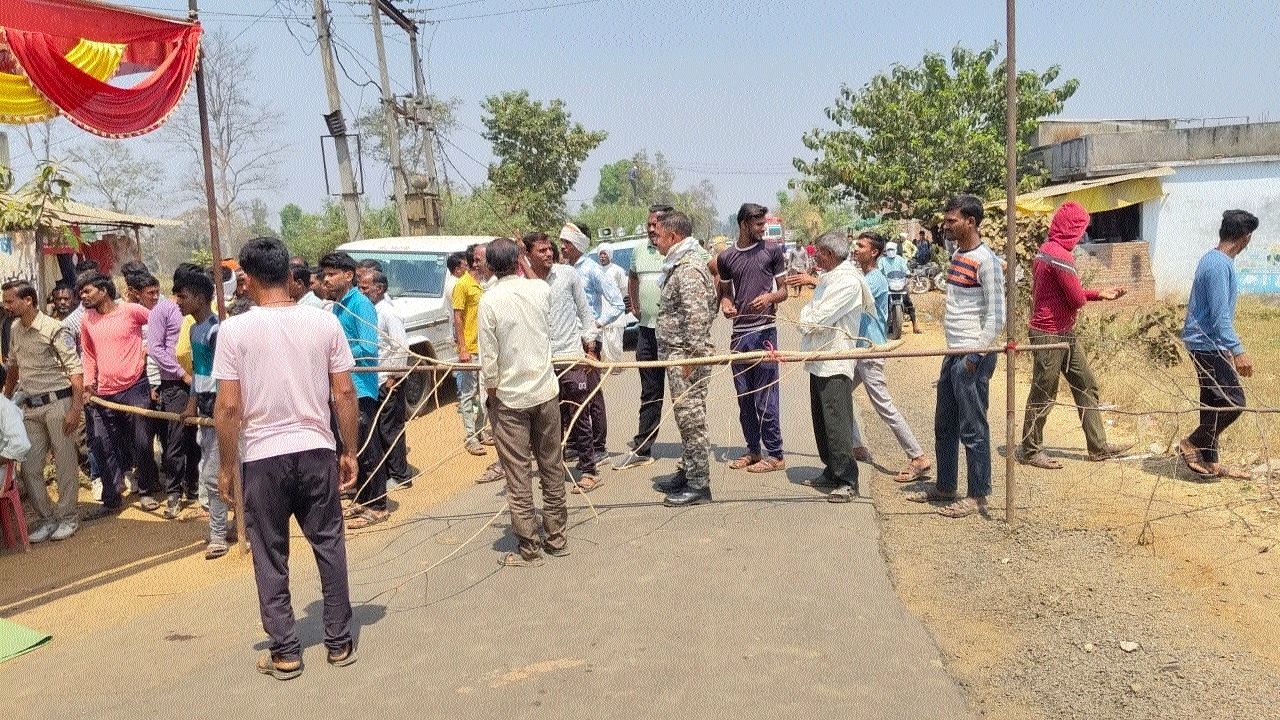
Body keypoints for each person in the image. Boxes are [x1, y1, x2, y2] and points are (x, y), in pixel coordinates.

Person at [213, 237, 359, 678]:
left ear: (248, 277)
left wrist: (225, 466)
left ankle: (286, 650)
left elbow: (228, 407)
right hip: (316, 448)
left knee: (269, 552)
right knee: (329, 543)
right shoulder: (324, 322)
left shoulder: (234, 331)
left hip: (263, 457)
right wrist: (349, 450)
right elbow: (344, 392)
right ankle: (339, 642)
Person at [909, 195, 1005, 518]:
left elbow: (996, 317)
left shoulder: (986, 262)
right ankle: (946, 487)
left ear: (971, 222)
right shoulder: (957, 255)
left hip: (972, 356)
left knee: (973, 428)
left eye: (952, 220)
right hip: (953, 353)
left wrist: (974, 357)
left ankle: (978, 495)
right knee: (944, 425)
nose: (945, 225)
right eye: (946, 220)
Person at [1017, 202, 1131, 469]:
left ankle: (1098, 447)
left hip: (1060, 332)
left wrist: (1098, 294)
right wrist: (1092, 295)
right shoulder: (1061, 256)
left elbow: (1067, 293)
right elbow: (1076, 299)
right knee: (1044, 391)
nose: (1081, 236)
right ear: (1072, 229)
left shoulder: (1046, 250)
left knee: (1085, 383)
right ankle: (1031, 450)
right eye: (1080, 230)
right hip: (1050, 334)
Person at [477, 238, 570, 566]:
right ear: (519, 260)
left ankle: (529, 547)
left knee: (518, 475)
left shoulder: (489, 301)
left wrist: (491, 395)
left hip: (510, 399)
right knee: (551, 466)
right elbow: (536, 281)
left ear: (489, 266)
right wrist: (523, 258)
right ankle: (557, 537)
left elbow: (489, 358)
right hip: (545, 394)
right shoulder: (540, 290)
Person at [818, 232, 932, 483]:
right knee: (842, 395)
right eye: (856, 245)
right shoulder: (863, 276)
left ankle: (917, 456)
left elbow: (849, 298)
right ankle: (857, 446)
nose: (856, 249)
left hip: (870, 351)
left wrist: (817, 282)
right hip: (859, 349)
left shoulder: (875, 279)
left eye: (861, 246)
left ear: (874, 253)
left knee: (884, 405)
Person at [1177, 210, 1259, 479]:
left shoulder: (1215, 260)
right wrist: (1238, 350)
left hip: (1208, 343)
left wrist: (1225, 346)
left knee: (1213, 402)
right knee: (1234, 402)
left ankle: (1210, 461)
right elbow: (1219, 316)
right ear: (1245, 238)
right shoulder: (1217, 265)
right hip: (1205, 344)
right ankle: (1192, 442)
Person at [78, 269, 162, 518]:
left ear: (103, 290)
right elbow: (88, 354)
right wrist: (88, 383)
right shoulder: (87, 319)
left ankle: (146, 491)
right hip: (103, 394)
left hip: (135, 388)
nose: (83, 296)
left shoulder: (131, 311)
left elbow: (161, 324)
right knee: (102, 445)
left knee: (142, 443)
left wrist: (149, 348)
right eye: (80, 292)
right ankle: (111, 498)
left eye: (87, 291)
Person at [2, 280, 81, 542]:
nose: (6, 306)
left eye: (10, 301)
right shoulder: (15, 329)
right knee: (29, 467)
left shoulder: (54, 328)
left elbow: (75, 370)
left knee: (65, 464)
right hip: (31, 407)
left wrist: (75, 409)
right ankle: (48, 518)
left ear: (28, 301)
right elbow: (13, 366)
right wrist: (6, 398)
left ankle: (68, 517)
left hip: (58, 404)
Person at [525, 232, 601, 492]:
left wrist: (591, 348)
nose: (548, 253)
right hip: (543, 363)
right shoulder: (525, 284)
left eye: (550, 249)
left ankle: (589, 470)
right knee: (548, 423)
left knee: (579, 416)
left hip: (571, 358)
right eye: (541, 250)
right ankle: (553, 472)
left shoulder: (567, 275)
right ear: (528, 255)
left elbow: (585, 312)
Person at [652, 212, 717, 507]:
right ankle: (688, 470)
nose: (655, 240)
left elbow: (698, 318)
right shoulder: (677, 264)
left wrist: (691, 359)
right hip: (678, 355)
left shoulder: (689, 269)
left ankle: (699, 484)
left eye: (659, 235)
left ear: (673, 237)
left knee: (692, 420)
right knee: (684, 419)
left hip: (687, 358)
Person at [318, 252, 388, 529]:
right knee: (352, 447)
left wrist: (336, 353)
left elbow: (369, 348)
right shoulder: (338, 307)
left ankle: (378, 505)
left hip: (360, 388)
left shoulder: (360, 304)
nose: (326, 279)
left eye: (332, 274)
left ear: (348, 275)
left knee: (367, 447)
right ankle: (363, 499)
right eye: (324, 275)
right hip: (343, 388)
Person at [717, 202, 788, 474]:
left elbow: (783, 291)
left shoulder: (771, 251)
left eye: (764, 223)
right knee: (745, 398)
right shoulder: (726, 258)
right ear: (744, 224)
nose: (763, 229)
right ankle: (753, 450)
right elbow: (726, 295)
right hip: (739, 337)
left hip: (765, 332)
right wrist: (726, 306)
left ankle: (776, 454)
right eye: (758, 224)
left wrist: (770, 297)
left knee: (766, 398)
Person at [795, 231, 865, 502]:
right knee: (822, 420)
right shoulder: (829, 278)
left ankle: (847, 479)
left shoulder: (847, 282)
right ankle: (831, 469)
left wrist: (807, 320)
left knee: (837, 423)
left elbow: (815, 319)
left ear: (830, 254)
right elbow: (808, 312)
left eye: (818, 253)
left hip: (835, 360)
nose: (815, 258)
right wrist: (807, 319)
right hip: (819, 359)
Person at [129, 266, 198, 519]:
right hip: (176, 384)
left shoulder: (201, 309)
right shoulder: (163, 310)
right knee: (175, 440)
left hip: (200, 381)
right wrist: (182, 374)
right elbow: (156, 349)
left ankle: (193, 486)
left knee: (196, 439)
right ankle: (173, 494)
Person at [173, 269, 229, 559]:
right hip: (205, 405)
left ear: (199, 297)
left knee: (214, 474)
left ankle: (219, 534)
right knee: (213, 468)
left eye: (182, 296)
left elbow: (225, 375)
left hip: (221, 405)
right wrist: (191, 405)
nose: (178, 302)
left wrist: (222, 409)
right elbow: (197, 372)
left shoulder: (216, 330)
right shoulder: (194, 330)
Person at [613, 204, 674, 471]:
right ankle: (643, 448)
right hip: (647, 332)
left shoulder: (681, 250)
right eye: (648, 224)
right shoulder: (640, 250)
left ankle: (692, 450)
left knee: (684, 394)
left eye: (655, 224)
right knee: (650, 392)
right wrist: (635, 304)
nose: (650, 229)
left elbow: (715, 269)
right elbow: (633, 277)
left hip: (675, 334)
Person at [560, 222, 624, 467]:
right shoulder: (562, 270)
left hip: (589, 340)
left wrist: (597, 324)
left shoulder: (593, 270)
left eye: (566, 242)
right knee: (569, 393)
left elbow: (617, 304)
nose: (562, 247)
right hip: (568, 339)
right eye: (561, 242)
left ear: (578, 244)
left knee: (592, 394)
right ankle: (576, 444)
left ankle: (599, 446)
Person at [359, 268, 416, 490]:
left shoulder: (388, 313)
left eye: (365, 288)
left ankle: (401, 475)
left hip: (388, 380)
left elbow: (401, 346)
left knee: (390, 429)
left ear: (379, 289)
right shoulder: (371, 311)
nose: (361, 292)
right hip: (377, 380)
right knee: (380, 430)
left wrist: (394, 377)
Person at [453, 246, 489, 455]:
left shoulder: (486, 283)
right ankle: (470, 436)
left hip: (486, 347)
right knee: (468, 393)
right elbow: (458, 317)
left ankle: (481, 429)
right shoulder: (462, 285)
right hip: (471, 348)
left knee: (485, 391)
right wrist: (463, 348)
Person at [878, 241, 921, 334]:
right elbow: (879, 270)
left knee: (908, 302)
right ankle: (886, 324)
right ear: (886, 250)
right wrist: (879, 275)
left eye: (892, 249)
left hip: (900, 283)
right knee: (883, 302)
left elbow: (905, 269)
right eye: (889, 249)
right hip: (888, 284)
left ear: (896, 250)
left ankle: (915, 324)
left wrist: (908, 273)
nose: (890, 251)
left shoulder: (900, 259)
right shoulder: (882, 261)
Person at [597, 245, 629, 366]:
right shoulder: (596, 271)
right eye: (601, 254)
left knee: (616, 341)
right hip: (602, 311)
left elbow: (624, 289)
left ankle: (616, 365)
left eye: (605, 254)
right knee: (604, 341)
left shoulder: (618, 270)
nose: (602, 256)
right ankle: (608, 366)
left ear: (610, 255)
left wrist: (624, 306)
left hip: (616, 312)